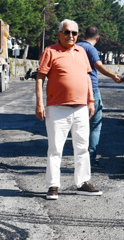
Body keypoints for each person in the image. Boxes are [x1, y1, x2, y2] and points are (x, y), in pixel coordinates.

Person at [35, 19, 102, 200]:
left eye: (74, 33)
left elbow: (87, 77)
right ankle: (53, 186)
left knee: (82, 147)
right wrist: (39, 103)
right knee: (55, 148)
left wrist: (90, 101)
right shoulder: (50, 51)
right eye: (66, 32)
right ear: (59, 34)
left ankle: (83, 182)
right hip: (57, 109)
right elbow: (40, 78)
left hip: (80, 108)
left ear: (77, 35)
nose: (70, 36)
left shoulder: (81, 52)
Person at [77, 26, 123, 164]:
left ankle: (79, 156)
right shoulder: (91, 49)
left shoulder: (76, 47)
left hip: (77, 89)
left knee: (80, 125)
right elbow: (98, 65)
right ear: (97, 38)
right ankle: (90, 158)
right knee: (95, 125)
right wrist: (113, 75)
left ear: (84, 35)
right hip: (91, 90)